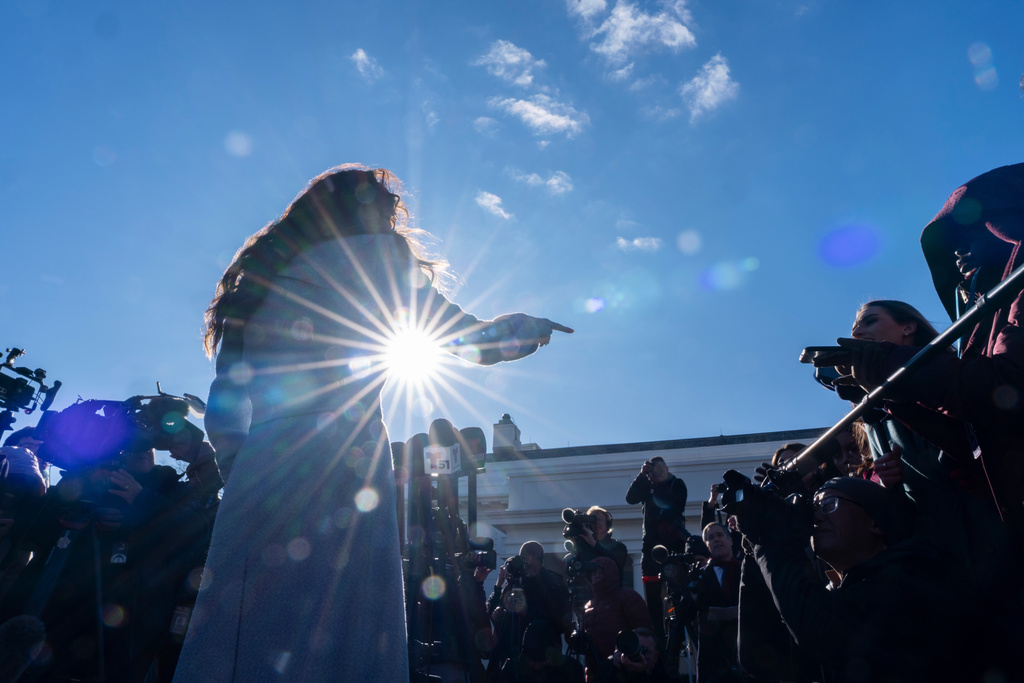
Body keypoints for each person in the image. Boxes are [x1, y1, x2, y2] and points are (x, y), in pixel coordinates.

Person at [175, 166, 573, 683]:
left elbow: (225, 402)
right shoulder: (377, 255)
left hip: (261, 463)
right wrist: (522, 330)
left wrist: (243, 471)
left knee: (244, 630)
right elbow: (460, 337)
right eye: (387, 208)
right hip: (344, 460)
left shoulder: (257, 283)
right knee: (342, 628)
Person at [826, 164, 1024, 555]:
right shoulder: (981, 326)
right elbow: (974, 438)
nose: (958, 252)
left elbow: (1007, 389)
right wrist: (891, 398)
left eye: (969, 231)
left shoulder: (1013, 298)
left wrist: (895, 371)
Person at [729, 475, 995, 682]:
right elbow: (760, 657)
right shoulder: (839, 594)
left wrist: (772, 541)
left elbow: (821, 630)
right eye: (814, 508)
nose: (816, 516)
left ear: (876, 523)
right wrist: (756, 549)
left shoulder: (917, 575)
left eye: (828, 504)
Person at [625, 457, 688, 643]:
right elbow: (630, 498)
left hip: (673, 545)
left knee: (678, 592)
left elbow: (674, 507)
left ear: (667, 468)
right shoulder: (646, 485)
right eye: (653, 469)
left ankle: (679, 634)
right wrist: (642, 476)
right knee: (652, 596)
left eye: (660, 468)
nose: (657, 472)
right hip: (651, 547)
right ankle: (658, 639)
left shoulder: (676, 484)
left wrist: (658, 485)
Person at [488, 541, 572, 680]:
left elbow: (560, 621)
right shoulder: (514, 581)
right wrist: (498, 614)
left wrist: (527, 610)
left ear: (540, 561)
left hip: (541, 657)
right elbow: (495, 612)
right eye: (524, 558)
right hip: (510, 652)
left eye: (532, 558)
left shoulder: (553, 583)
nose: (527, 563)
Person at [580, 557, 652, 683]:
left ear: (609, 573)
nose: (596, 575)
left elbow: (644, 632)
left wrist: (635, 661)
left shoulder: (628, 598)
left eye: (600, 571)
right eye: (593, 572)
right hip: (597, 674)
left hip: (625, 670)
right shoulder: (588, 606)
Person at [691, 523, 741, 683]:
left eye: (719, 535)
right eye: (710, 538)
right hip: (714, 664)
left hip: (745, 657)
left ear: (730, 540)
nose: (716, 540)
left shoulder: (747, 570)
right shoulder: (700, 577)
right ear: (707, 546)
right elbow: (686, 612)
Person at [604, 627, 671, 683]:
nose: (639, 654)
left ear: (656, 656)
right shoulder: (614, 663)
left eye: (644, 650)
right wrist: (615, 669)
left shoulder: (665, 675)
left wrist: (641, 673)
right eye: (636, 648)